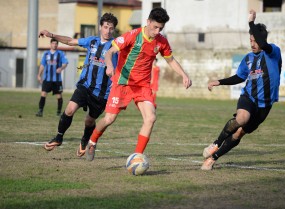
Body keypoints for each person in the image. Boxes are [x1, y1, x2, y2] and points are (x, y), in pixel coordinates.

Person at [85, 7, 192, 161]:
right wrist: (109, 65)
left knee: (151, 118)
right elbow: (109, 53)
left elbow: (170, 60)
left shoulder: (161, 41)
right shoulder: (133, 35)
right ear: (148, 22)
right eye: (155, 27)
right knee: (109, 119)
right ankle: (93, 140)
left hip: (142, 86)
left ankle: (136, 156)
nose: (157, 31)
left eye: (160, 28)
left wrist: (183, 75)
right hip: (122, 84)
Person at [201, 9, 282, 170]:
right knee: (242, 118)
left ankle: (213, 158)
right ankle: (216, 143)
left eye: (255, 40)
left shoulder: (273, 52)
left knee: (239, 133)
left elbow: (264, 44)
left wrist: (251, 23)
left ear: (262, 40)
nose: (252, 43)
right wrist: (220, 81)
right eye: (250, 40)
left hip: (265, 105)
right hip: (249, 98)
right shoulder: (248, 58)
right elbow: (239, 77)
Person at [39, 13, 119, 156]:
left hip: (102, 93)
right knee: (69, 109)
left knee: (89, 121)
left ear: (114, 30)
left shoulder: (117, 46)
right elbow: (70, 41)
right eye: (106, 27)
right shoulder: (91, 41)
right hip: (85, 86)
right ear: (100, 27)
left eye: (111, 28)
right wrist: (51, 34)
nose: (108, 31)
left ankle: (84, 140)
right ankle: (58, 137)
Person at [36, 38, 68, 117]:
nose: (54, 45)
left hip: (57, 80)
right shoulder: (46, 54)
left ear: (57, 45)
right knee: (43, 94)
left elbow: (65, 63)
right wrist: (39, 75)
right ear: (50, 44)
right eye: (53, 43)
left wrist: (61, 68)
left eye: (56, 44)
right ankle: (40, 111)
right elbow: (42, 65)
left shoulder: (60, 54)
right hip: (47, 79)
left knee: (59, 96)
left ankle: (58, 112)